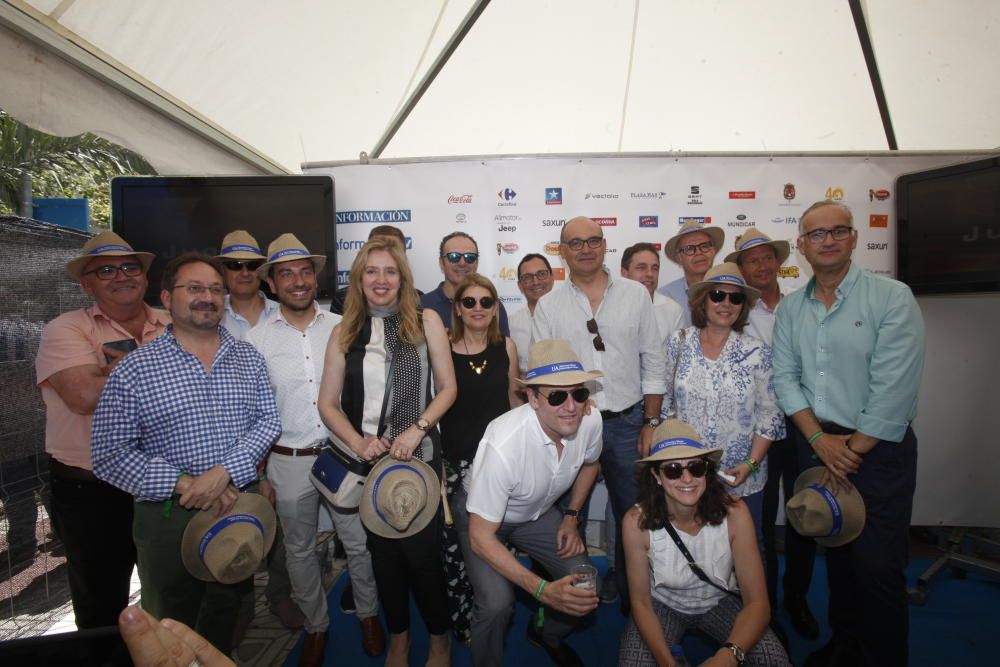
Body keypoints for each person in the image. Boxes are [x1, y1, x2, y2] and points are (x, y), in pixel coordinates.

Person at [91, 253, 280, 655]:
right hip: (168, 516)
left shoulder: (248, 359)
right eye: (193, 288)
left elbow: (267, 422)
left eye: (215, 289)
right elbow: (109, 453)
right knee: (168, 626)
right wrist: (187, 484)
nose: (206, 297)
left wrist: (224, 473)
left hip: (235, 506)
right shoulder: (135, 369)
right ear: (166, 297)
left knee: (227, 612)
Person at [772, 201, 925, 667]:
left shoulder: (892, 297)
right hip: (817, 444)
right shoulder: (792, 309)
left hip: (876, 452)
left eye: (839, 230)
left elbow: (894, 388)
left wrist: (850, 449)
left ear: (855, 238)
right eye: (817, 234)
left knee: (878, 567)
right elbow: (785, 378)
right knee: (836, 551)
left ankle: (882, 658)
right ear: (801, 246)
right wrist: (819, 441)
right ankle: (844, 646)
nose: (829, 240)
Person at [246, 234, 384, 665]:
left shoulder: (344, 328)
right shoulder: (255, 340)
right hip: (287, 461)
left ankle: (368, 616)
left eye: (305, 272)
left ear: (316, 278)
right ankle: (317, 627)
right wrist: (262, 475)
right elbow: (251, 411)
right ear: (271, 283)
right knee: (299, 551)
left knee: (358, 544)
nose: (298, 281)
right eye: (286, 274)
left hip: (343, 455)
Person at [318, 236, 456, 667]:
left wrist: (416, 430)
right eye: (372, 271)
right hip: (371, 463)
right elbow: (327, 403)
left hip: (419, 456)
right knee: (385, 560)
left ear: (403, 278)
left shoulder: (426, 320)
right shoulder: (343, 331)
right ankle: (399, 638)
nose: (381, 280)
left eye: (390, 271)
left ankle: (438, 639)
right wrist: (359, 442)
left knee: (423, 558)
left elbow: (449, 389)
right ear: (359, 279)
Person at [35, 231, 170, 629]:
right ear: (86, 283)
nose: (120, 275)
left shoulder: (173, 322)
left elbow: (200, 387)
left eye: (129, 266)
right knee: (102, 605)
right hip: (91, 491)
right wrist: (159, 367)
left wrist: (112, 368)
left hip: (161, 482)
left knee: (168, 594)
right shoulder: (65, 330)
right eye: (105, 269)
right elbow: (84, 396)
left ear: (145, 277)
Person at [533, 216, 667, 612]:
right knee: (558, 516)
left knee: (635, 516)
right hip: (569, 425)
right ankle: (560, 605)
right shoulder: (549, 305)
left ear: (605, 245)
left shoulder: (635, 294)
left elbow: (653, 361)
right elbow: (543, 372)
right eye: (576, 243)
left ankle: (635, 602)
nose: (586, 248)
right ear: (562, 250)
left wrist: (651, 421)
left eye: (593, 240)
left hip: (627, 423)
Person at [460, 339, 602, 667]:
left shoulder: (591, 420)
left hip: (537, 514)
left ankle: (546, 633)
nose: (571, 406)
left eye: (579, 394)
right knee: (496, 604)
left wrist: (570, 516)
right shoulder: (503, 444)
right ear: (532, 399)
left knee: (584, 581)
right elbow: (481, 537)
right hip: (482, 518)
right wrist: (540, 590)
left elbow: (592, 464)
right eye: (556, 396)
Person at [618, 419, 790, 667]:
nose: (687, 478)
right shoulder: (636, 522)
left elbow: (758, 603)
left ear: (706, 472)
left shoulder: (735, 513)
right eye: (673, 469)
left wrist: (729, 656)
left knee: (775, 661)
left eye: (696, 467)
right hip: (663, 604)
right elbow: (641, 603)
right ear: (656, 476)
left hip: (719, 601)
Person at [725, 228, 817, 639]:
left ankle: (797, 598)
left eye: (766, 258)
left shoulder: (804, 303)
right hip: (756, 433)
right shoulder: (734, 310)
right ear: (741, 268)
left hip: (802, 426)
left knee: (803, 515)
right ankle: (766, 608)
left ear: (778, 262)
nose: (761, 266)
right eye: (751, 261)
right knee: (759, 525)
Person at [662, 262, 785, 549]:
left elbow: (770, 414)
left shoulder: (757, 352)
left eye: (736, 297)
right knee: (689, 552)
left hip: (740, 478)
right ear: (702, 301)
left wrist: (751, 464)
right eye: (717, 295)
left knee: (746, 553)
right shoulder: (677, 343)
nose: (726, 303)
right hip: (686, 475)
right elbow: (666, 404)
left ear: (743, 306)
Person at [439, 273, 521, 643]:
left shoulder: (508, 347)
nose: (477, 308)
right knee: (459, 551)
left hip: (502, 465)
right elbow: (432, 407)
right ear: (457, 308)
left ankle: (497, 611)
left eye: (485, 302)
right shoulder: (441, 347)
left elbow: (515, 402)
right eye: (468, 302)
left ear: (495, 307)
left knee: (502, 545)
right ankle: (466, 621)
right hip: (457, 468)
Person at [421, 231, 511, 335]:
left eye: (470, 257)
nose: (462, 263)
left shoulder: (490, 305)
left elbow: (503, 348)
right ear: (442, 263)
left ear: (476, 263)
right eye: (454, 256)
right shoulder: (421, 306)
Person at [329, 225, 422, 315]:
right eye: (371, 271)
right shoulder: (343, 299)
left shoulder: (418, 299)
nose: (381, 280)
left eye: (394, 248)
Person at [658, 221, 725, 326]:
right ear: (679, 259)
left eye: (705, 245)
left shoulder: (730, 292)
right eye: (689, 249)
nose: (699, 252)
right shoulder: (665, 296)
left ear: (713, 251)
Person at [216, 230, 278, 340]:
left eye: (252, 265)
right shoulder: (210, 312)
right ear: (222, 271)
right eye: (235, 265)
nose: (245, 273)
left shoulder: (282, 313)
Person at [621, 242, 685, 346]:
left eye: (654, 268)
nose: (650, 274)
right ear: (624, 273)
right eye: (641, 267)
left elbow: (679, 357)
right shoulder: (610, 307)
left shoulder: (673, 311)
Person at [509, 253, 555, 372]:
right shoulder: (510, 324)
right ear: (520, 285)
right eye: (528, 277)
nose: (536, 282)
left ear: (552, 277)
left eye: (541, 274)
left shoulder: (569, 316)